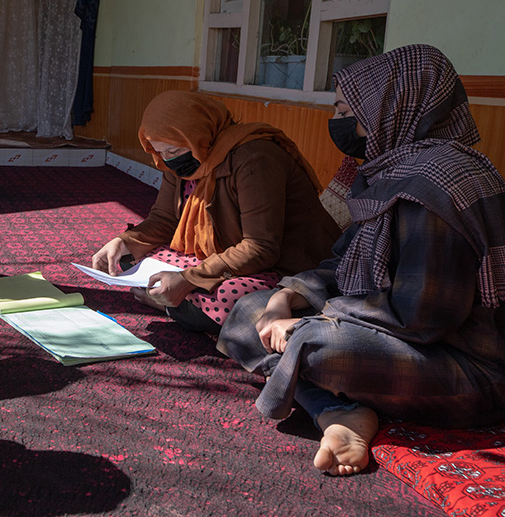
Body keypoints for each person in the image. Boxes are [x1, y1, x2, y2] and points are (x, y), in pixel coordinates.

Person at [217, 44, 505, 476]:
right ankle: (339, 411)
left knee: (313, 345)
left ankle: (330, 403)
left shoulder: (437, 186)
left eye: (346, 109)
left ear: (390, 109)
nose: (338, 121)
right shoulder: (392, 170)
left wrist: (313, 322)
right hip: (394, 335)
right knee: (248, 313)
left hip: (466, 367)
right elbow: (344, 263)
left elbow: (422, 318)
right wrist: (286, 297)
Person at [92, 91, 340, 333]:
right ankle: (176, 301)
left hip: (282, 265)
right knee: (129, 258)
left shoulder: (255, 159)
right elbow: (165, 219)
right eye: (161, 153)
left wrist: (190, 278)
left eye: (175, 151)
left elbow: (260, 248)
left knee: (229, 300)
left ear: (198, 135)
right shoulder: (180, 163)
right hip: (224, 253)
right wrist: (123, 242)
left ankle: (173, 306)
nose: (168, 161)